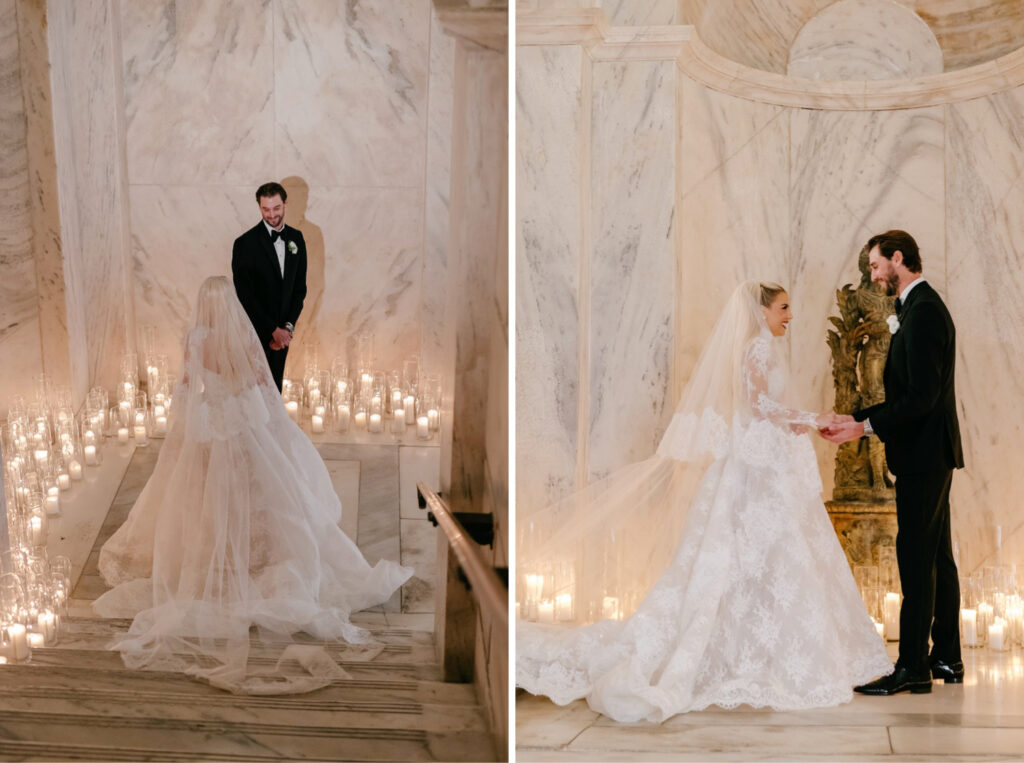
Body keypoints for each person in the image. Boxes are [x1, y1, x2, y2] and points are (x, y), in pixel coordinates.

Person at [516, 280, 891, 723]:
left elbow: (762, 411)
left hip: (762, 468)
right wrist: (811, 418)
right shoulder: (758, 348)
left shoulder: (760, 348)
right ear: (761, 312)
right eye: (783, 308)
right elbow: (757, 405)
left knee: (764, 561)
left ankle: (757, 653)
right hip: (754, 475)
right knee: (755, 559)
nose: (790, 316)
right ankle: (752, 657)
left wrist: (801, 423)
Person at [93, 276, 412, 693]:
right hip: (241, 421)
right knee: (256, 492)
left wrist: (185, 423)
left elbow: (188, 385)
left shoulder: (195, 338)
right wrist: (266, 420)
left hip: (208, 423)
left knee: (207, 495)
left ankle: (218, 556)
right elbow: (262, 383)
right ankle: (252, 554)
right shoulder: (242, 336)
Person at [824, 230, 964, 695]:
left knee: (917, 557)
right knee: (937, 556)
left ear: (897, 258)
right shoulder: (918, 308)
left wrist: (863, 426)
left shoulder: (923, 313)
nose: (872, 275)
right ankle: (946, 657)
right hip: (931, 452)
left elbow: (920, 398)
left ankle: (913, 667)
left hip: (924, 455)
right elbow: (915, 395)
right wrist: (856, 420)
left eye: (875, 264)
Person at [232, 181, 307, 392]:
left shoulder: (296, 239)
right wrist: (272, 331)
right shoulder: (244, 244)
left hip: (283, 336)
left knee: (275, 391)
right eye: (266, 209)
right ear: (259, 207)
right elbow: (245, 295)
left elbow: (299, 289)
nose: (272, 215)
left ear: (285, 204)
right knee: (253, 394)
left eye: (276, 208)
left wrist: (287, 329)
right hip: (254, 334)